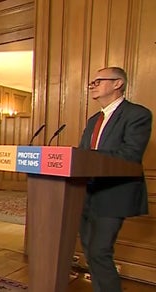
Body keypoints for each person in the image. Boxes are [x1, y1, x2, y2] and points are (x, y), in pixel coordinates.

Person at [77, 67, 151, 292]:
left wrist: (90, 159)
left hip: (114, 193)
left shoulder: (137, 114)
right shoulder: (93, 120)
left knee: (100, 252)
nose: (93, 85)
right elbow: (82, 155)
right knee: (90, 251)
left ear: (118, 84)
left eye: (98, 81)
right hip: (86, 193)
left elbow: (130, 155)